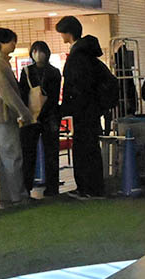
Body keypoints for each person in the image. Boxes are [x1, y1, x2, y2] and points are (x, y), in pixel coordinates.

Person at [61, 30, 116, 198]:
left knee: (82, 149)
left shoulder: (77, 58)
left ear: (67, 33)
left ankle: (85, 188)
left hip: (82, 111)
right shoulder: (92, 59)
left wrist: (67, 108)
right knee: (92, 148)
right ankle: (96, 187)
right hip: (94, 110)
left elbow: (75, 87)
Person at [0, 28, 34, 206]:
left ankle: (8, 195)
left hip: (0, 115)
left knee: (6, 158)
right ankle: (17, 195)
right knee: (13, 157)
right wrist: (24, 112)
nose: (14, 44)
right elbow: (7, 93)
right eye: (11, 41)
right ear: (1, 42)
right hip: (3, 115)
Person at [18, 40, 62, 198]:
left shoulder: (54, 72)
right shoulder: (27, 71)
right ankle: (27, 186)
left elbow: (54, 97)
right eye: (35, 50)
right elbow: (22, 93)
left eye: (41, 50)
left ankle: (52, 187)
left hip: (44, 117)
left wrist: (34, 114)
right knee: (30, 153)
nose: (38, 54)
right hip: (36, 117)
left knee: (50, 154)